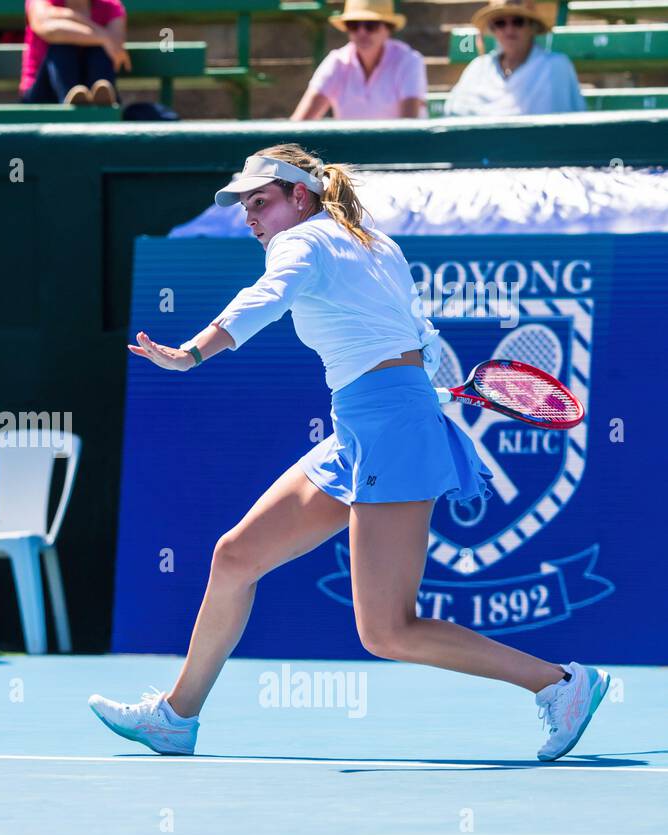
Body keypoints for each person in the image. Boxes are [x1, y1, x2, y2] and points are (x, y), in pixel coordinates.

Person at [90, 143, 611, 762]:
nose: (252, 218)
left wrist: (191, 352)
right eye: (244, 208)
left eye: (262, 203)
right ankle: (176, 718)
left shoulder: (302, 243)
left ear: (299, 197)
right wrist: (411, 390)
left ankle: (561, 684)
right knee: (235, 557)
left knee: (387, 629)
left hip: (389, 427)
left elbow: (266, 298)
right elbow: (414, 334)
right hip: (369, 423)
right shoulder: (376, 244)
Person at [291, 0, 427, 120]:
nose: (361, 32)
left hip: (397, 149)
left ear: (388, 28)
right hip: (350, 149)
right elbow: (300, 123)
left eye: (371, 25)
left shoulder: (409, 61)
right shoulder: (336, 62)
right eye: (353, 25)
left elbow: (408, 126)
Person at [445, 0, 585, 116]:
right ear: (493, 29)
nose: (509, 29)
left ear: (532, 26)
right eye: (500, 23)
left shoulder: (555, 67)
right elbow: (454, 114)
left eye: (518, 22)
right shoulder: (477, 68)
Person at [20, 0, 129, 106]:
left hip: (92, 83)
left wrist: (64, 18)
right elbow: (49, 30)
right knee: (61, 47)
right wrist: (104, 38)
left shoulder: (110, 5)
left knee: (99, 50)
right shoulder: (42, 2)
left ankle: (102, 103)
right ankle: (70, 100)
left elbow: (117, 46)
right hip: (43, 94)